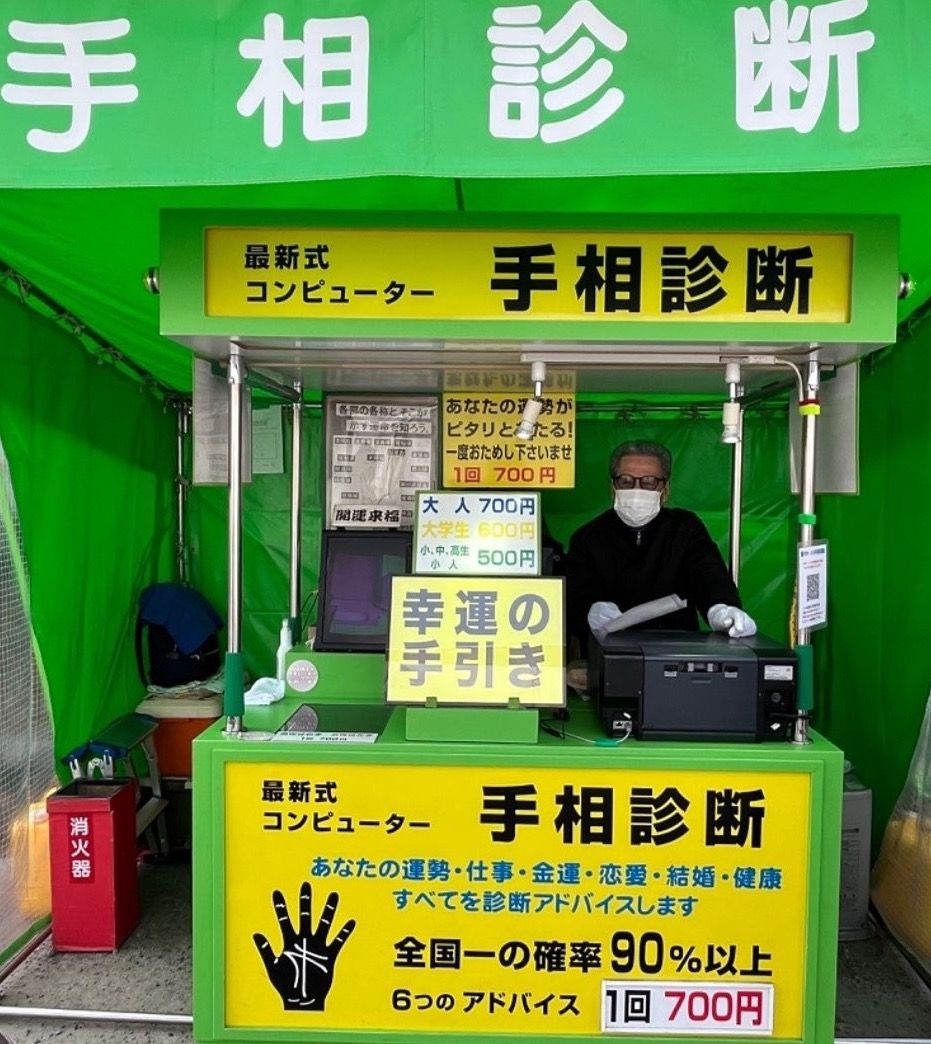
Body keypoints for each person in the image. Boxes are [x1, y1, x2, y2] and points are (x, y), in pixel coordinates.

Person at [565, 440, 756, 653]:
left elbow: (709, 574)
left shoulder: (684, 528)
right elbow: (573, 594)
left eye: (648, 482)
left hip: (675, 652)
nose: (637, 489)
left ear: (665, 489)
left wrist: (720, 608)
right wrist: (589, 610)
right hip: (608, 655)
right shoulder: (589, 537)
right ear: (613, 487)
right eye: (626, 481)